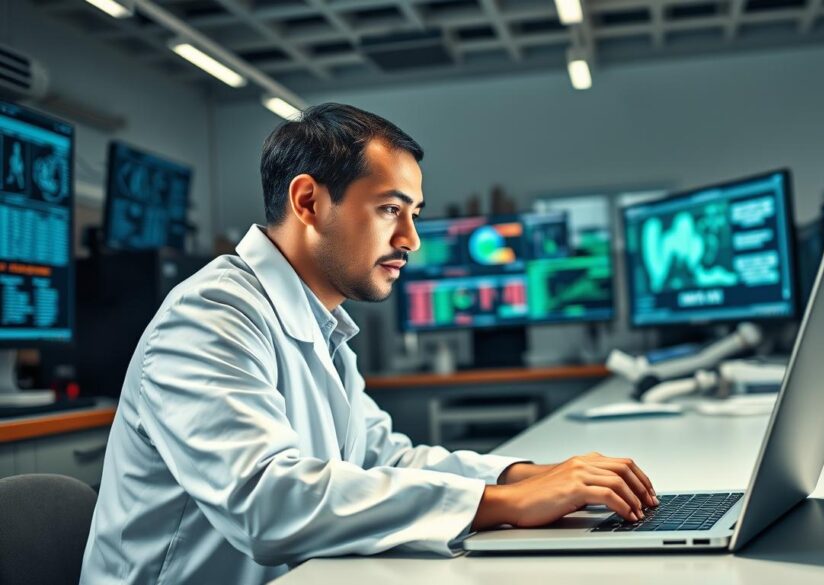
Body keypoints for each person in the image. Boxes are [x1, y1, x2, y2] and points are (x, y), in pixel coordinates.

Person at [80, 104, 657, 584]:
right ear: (308, 202)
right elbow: (266, 502)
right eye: (389, 210)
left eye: (414, 214)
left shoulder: (323, 323)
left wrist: (528, 476)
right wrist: (502, 505)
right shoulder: (210, 316)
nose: (411, 240)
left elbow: (384, 459)